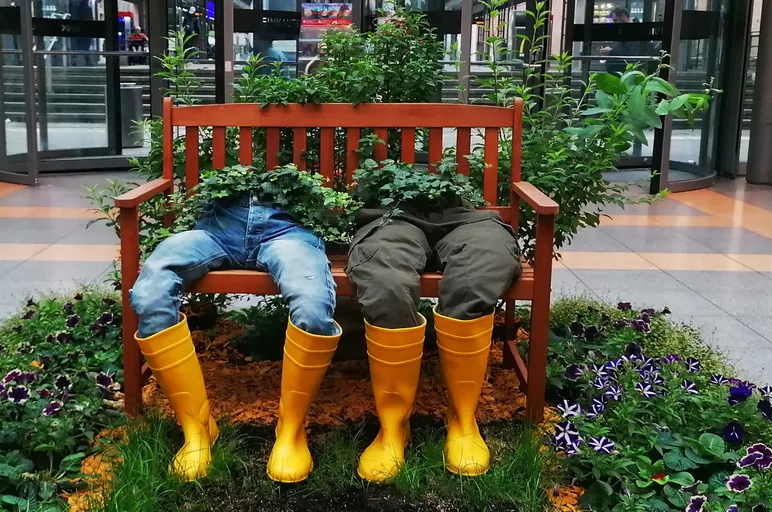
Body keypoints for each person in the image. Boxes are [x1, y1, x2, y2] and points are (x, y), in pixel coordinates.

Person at [130, 192, 342, 483]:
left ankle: (291, 431)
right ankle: (197, 431)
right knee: (151, 295)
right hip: (214, 230)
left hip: (288, 233)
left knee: (312, 308)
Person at [346, 172, 522, 482]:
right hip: (392, 216)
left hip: (469, 218)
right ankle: (393, 428)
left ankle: (463, 420)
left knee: (479, 272)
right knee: (386, 282)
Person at [600, 6, 655, 75]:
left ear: (623, 16)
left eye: (615, 20)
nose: (615, 23)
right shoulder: (625, 30)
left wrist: (611, 51)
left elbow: (632, 54)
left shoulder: (636, 31)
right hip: (623, 71)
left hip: (630, 72)